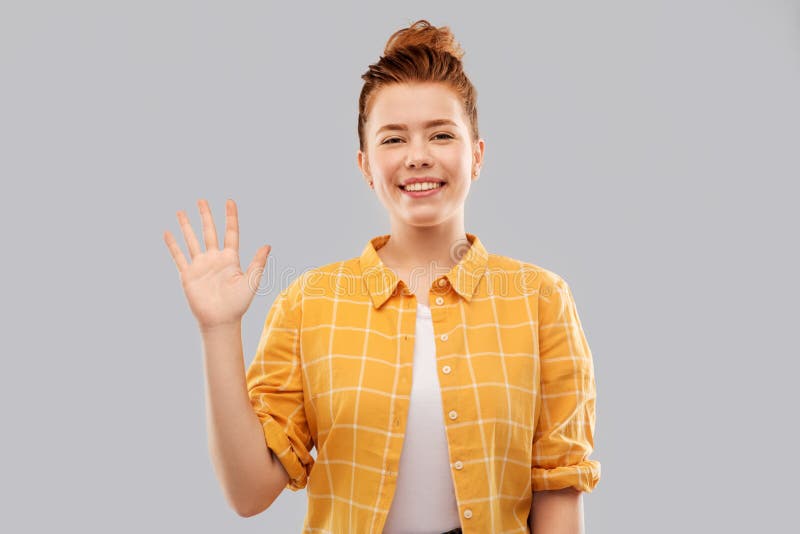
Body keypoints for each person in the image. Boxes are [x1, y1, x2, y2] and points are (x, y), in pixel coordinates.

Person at [164, 19, 600, 534]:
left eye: (441, 134)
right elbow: (248, 492)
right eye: (393, 138)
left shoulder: (542, 301)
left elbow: (557, 493)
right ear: (366, 164)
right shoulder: (309, 304)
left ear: (476, 154)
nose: (418, 156)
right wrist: (218, 330)